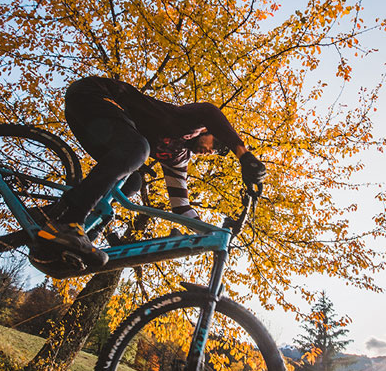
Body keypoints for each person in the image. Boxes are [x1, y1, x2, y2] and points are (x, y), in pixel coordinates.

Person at [30, 76, 266, 269]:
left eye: (217, 153)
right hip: (96, 96)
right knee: (137, 149)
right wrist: (244, 155)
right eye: (217, 145)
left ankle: (54, 220)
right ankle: (71, 223)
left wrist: (211, 232)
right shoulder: (188, 123)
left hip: (99, 127)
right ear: (207, 131)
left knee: (132, 181)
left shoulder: (178, 158)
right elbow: (209, 111)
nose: (211, 152)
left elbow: (181, 207)